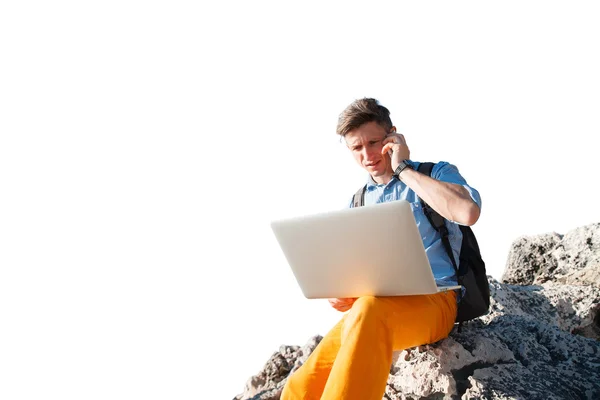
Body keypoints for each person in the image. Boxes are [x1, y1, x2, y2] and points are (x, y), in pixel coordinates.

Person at [280, 98, 482, 400]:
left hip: (437, 301)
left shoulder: (434, 173)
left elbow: (467, 212)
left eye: (374, 142)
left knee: (370, 310)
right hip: (371, 308)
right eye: (356, 148)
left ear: (393, 136)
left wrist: (403, 169)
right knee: (302, 387)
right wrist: (341, 290)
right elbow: (358, 271)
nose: (367, 155)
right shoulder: (358, 201)